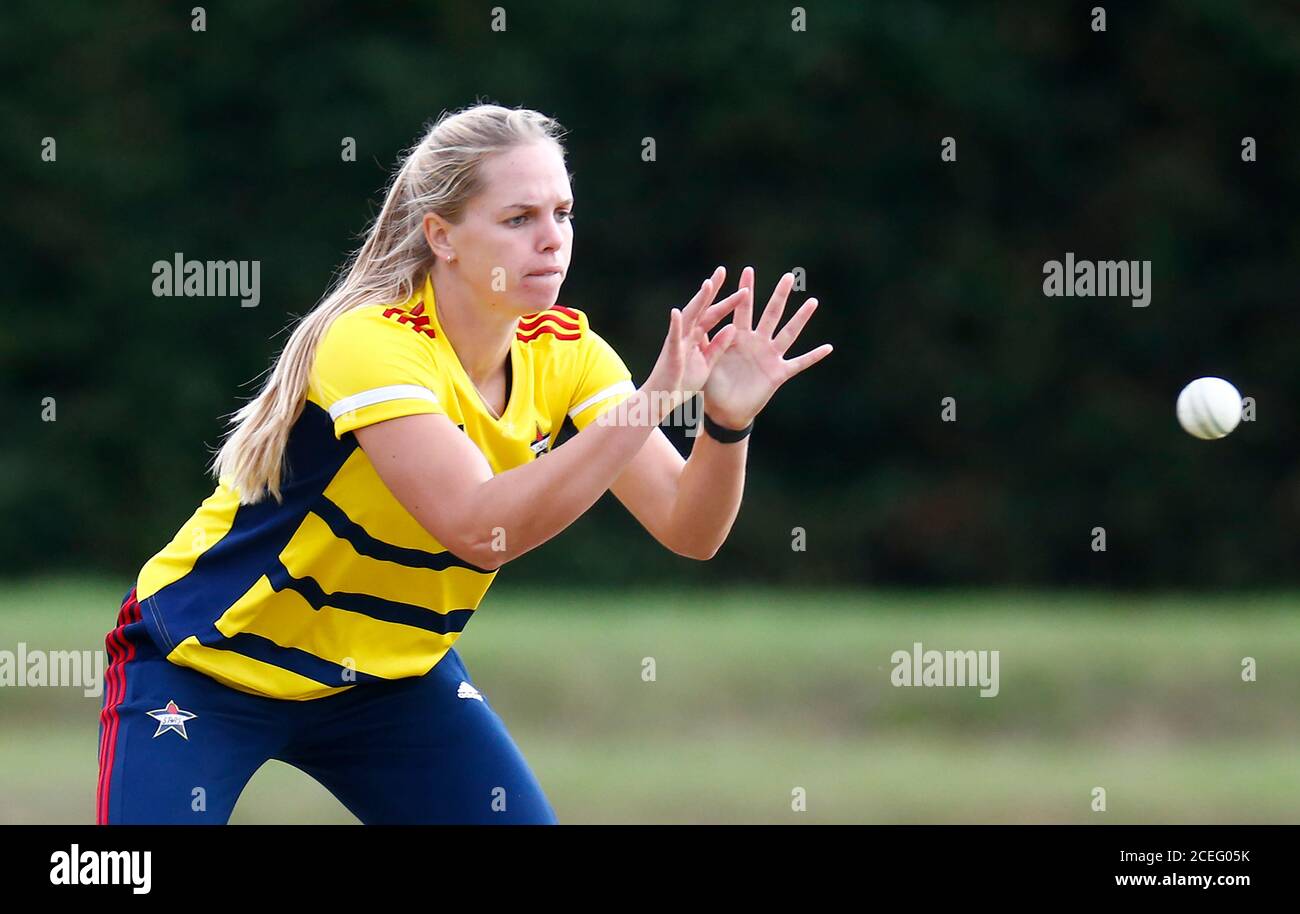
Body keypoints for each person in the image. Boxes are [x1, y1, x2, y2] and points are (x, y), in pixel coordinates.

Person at [96, 103, 832, 825]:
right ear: (441, 237)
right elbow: (476, 527)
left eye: (563, 213)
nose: (552, 240)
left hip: (390, 679)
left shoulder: (567, 351)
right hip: (208, 663)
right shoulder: (373, 342)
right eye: (519, 219)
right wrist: (649, 403)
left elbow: (688, 528)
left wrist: (726, 425)